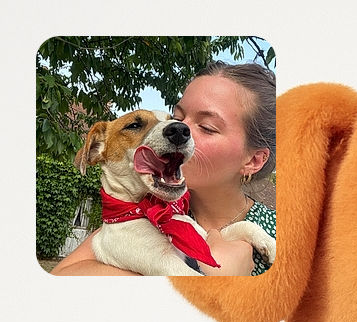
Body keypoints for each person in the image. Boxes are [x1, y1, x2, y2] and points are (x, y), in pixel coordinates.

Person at [52, 61, 276, 277]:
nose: (180, 129)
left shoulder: (291, 233)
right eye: (178, 118)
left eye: (207, 127)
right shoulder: (137, 213)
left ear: (254, 160)